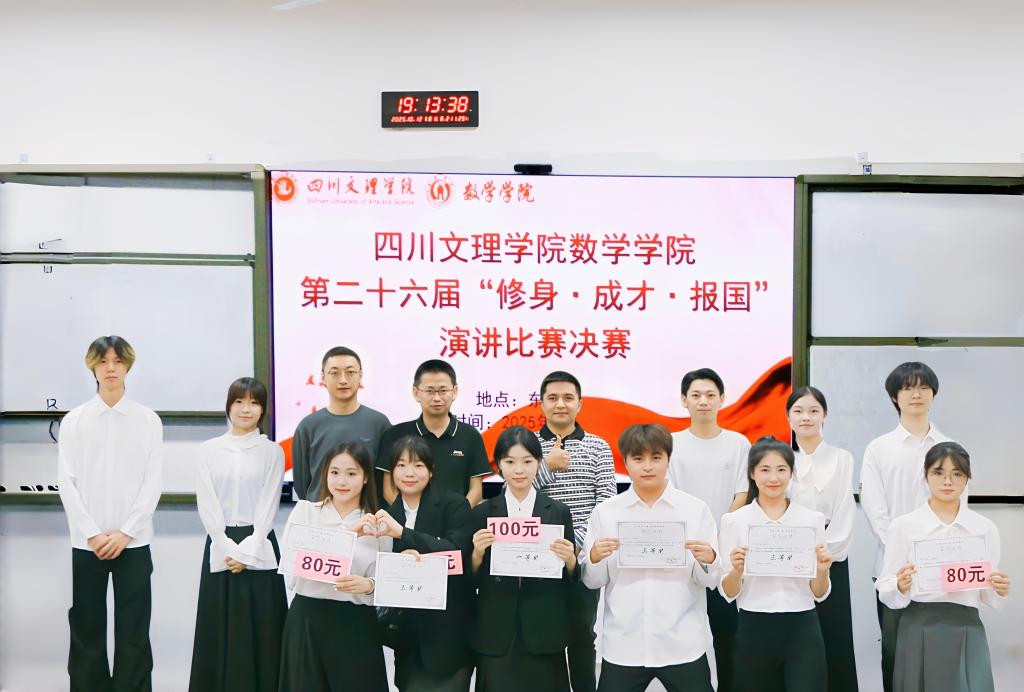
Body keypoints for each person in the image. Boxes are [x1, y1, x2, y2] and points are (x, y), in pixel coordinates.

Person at [57, 335, 163, 692]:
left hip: (134, 541)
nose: (111, 368)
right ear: (93, 367)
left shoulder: (147, 420)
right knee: (87, 626)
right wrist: (91, 532)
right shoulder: (75, 420)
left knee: (134, 628)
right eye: (103, 361)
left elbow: (152, 482)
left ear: (128, 365)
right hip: (87, 543)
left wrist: (126, 531)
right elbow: (66, 482)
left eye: (118, 361)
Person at [581, 424, 719, 692]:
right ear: (625, 463)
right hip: (624, 645)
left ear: (668, 459)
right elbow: (592, 581)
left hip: (682, 643)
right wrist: (594, 558)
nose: (647, 466)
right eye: (638, 458)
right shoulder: (606, 512)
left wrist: (710, 559)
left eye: (656, 457)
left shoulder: (694, 510)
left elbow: (711, 580)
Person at [876, 442, 1009, 692]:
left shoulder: (984, 528)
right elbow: (885, 585)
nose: (947, 481)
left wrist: (998, 589)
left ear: (967, 478)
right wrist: (899, 585)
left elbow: (987, 592)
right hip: (918, 625)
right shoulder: (903, 526)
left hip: (967, 627)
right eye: (938, 472)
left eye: (957, 474)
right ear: (925, 476)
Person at [188, 377, 286, 692]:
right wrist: (225, 544)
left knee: (264, 630)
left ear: (263, 410)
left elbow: (269, 503)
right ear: (229, 406)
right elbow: (206, 501)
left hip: (261, 543)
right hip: (220, 543)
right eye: (239, 401)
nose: (246, 409)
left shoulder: (272, 451)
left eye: (254, 403)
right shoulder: (208, 450)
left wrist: (249, 549)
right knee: (218, 627)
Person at [859, 362, 950, 692]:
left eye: (924, 387)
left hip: (940, 567)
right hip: (892, 569)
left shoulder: (949, 448)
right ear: (894, 397)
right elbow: (875, 509)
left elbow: (958, 509)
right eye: (908, 388)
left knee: (938, 653)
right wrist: (903, 552)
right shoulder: (879, 448)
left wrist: (935, 552)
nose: (916, 394)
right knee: (895, 653)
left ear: (933, 395)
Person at [719, 436, 833, 692]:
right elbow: (727, 592)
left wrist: (822, 570)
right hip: (753, 625)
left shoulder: (811, 520)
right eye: (765, 470)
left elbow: (819, 592)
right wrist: (737, 570)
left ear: (792, 473)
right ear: (752, 473)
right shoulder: (734, 521)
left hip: (802, 625)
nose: (773, 478)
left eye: (781, 469)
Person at [470, 426, 577, 692]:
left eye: (527, 461)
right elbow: (469, 578)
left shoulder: (558, 512)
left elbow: (571, 579)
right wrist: (477, 554)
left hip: (544, 626)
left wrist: (570, 560)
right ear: (499, 465)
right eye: (510, 462)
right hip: (496, 627)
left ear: (539, 463)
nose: (519, 470)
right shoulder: (482, 513)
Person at [278, 442, 391, 692]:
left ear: (365, 478)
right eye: (335, 472)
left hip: (355, 623)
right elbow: (293, 565)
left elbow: (386, 583)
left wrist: (369, 585)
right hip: (307, 620)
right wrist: (349, 533)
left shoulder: (379, 523)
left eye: (351, 473)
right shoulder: (305, 512)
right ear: (325, 474)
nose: (342, 481)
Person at [666, 367, 750, 691]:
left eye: (710, 395)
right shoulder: (671, 443)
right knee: (682, 634)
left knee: (728, 636)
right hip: (681, 552)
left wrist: (717, 540)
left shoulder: (738, 443)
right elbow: (669, 496)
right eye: (696, 395)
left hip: (723, 553)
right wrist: (692, 540)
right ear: (683, 400)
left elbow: (742, 493)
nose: (703, 401)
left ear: (722, 399)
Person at [533, 370, 616, 692]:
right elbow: (514, 495)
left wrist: (576, 545)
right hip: (536, 558)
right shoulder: (527, 446)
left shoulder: (598, 446)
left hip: (581, 557)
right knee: (543, 635)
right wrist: (546, 466)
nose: (560, 404)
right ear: (541, 403)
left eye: (568, 398)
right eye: (553, 398)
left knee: (583, 636)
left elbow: (605, 501)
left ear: (579, 404)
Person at [373, 435, 475, 692]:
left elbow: (457, 552)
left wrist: (403, 534)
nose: (409, 473)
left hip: (449, 632)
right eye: (401, 465)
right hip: (408, 636)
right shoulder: (386, 516)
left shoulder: (455, 505)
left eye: (418, 465)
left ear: (431, 471)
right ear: (392, 472)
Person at [785, 386, 858, 692]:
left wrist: (824, 555)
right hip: (787, 561)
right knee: (793, 639)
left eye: (814, 411)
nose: (806, 417)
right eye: (799, 411)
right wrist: (795, 553)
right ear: (788, 417)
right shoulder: (781, 458)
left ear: (825, 415)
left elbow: (844, 510)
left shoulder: (842, 458)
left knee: (834, 636)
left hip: (830, 559)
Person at [377, 359, 491, 507]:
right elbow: (388, 490)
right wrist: (411, 516)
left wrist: (458, 514)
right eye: (429, 391)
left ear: (454, 391)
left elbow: (476, 489)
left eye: (443, 390)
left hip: (456, 520)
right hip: (406, 520)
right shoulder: (395, 435)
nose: (437, 398)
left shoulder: (470, 435)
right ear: (416, 393)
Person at [291, 346, 391, 501]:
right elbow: (302, 485)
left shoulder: (379, 423)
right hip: (319, 513)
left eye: (350, 372)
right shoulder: (307, 426)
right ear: (323, 378)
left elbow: (388, 480)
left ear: (360, 376)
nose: (343, 380)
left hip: (368, 513)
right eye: (334, 373)